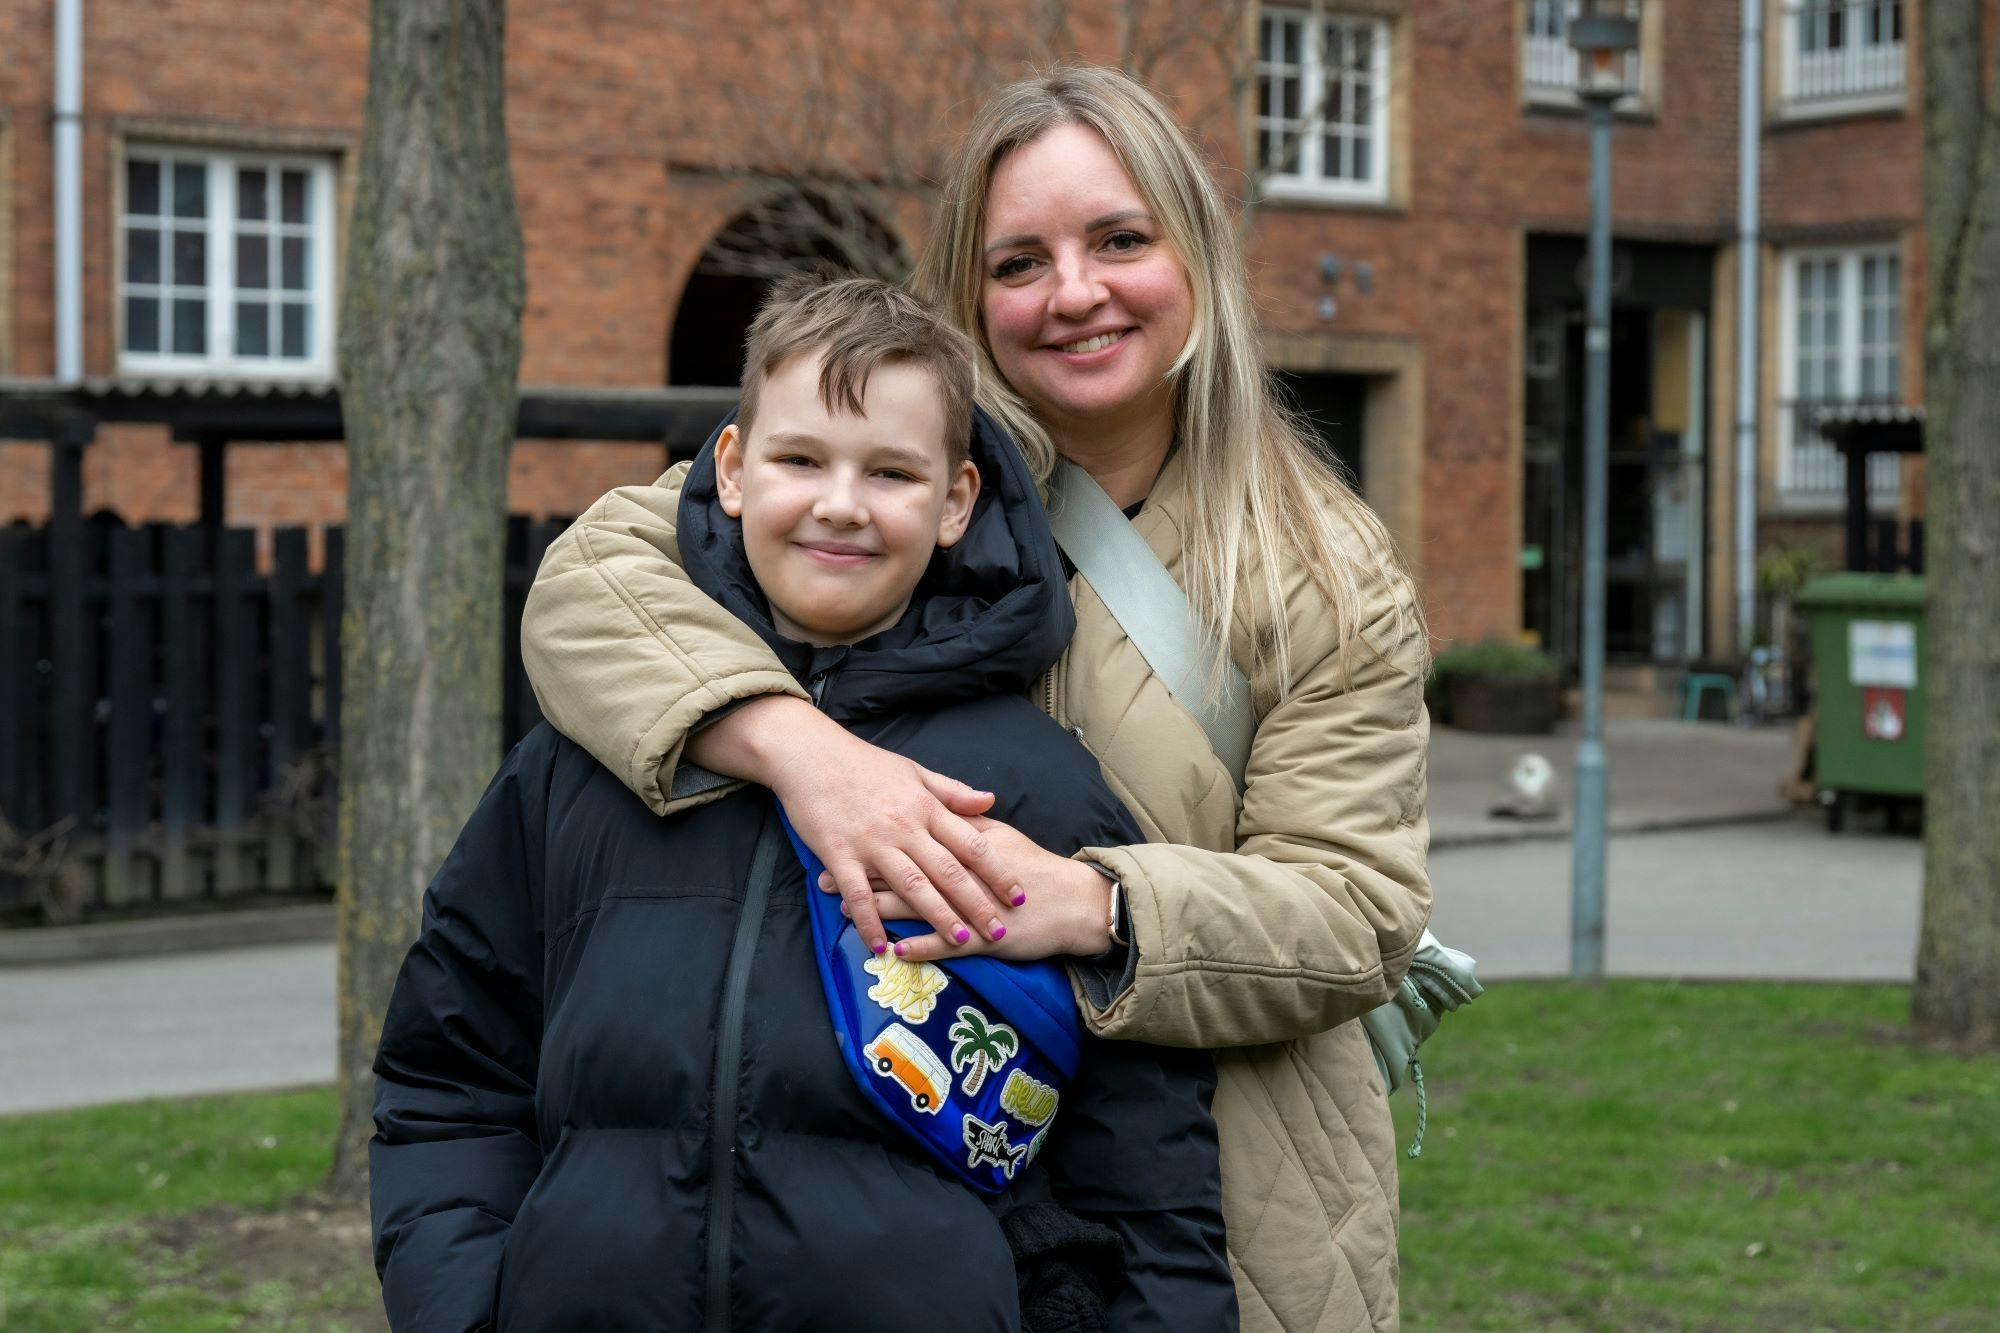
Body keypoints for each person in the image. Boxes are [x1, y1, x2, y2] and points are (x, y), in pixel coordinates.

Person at [522, 67, 1432, 1331]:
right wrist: (801, 750)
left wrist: (1093, 902)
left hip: (1214, 1223)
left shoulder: (1322, 568)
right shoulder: (886, 469)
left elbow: (1358, 913)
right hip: (874, 1220)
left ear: (1197, 255)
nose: (1073, 293)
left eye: (1119, 240)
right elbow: (591, 579)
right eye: (1019, 261)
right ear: (968, 287)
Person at [370, 274, 1235, 1332]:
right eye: (799, 459)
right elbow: (447, 1076)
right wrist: (467, 1309)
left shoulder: (1035, 789)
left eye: (889, 471)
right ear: (730, 471)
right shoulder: (577, 769)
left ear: (954, 503)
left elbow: (1143, 1176)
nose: (838, 503)